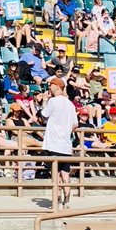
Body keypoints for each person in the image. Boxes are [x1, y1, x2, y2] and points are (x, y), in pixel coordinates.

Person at [41, 76, 78, 208]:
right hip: (65, 144)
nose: (49, 87)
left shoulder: (53, 101)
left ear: (57, 86)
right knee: (65, 173)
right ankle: (66, 201)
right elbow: (75, 124)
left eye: (51, 85)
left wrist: (45, 100)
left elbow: (44, 115)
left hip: (54, 143)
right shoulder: (70, 104)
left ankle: (56, 200)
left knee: (55, 175)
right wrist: (66, 131)